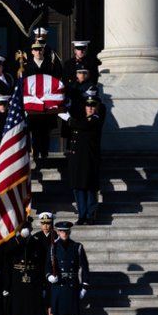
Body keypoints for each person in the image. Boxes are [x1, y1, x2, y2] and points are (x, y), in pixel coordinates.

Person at [45, 220, 89, 315]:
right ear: (57, 232)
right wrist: (49, 276)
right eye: (61, 231)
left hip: (72, 285)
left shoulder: (77, 247)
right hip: (58, 286)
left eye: (66, 231)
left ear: (70, 232)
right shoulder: (53, 247)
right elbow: (47, 266)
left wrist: (84, 286)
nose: (64, 233)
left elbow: (85, 268)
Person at [59, 96, 104, 225]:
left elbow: (81, 126)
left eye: (92, 106)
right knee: (78, 188)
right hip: (77, 160)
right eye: (88, 106)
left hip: (89, 160)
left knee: (89, 188)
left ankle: (90, 215)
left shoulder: (95, 120)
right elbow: (70, 132)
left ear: (96, 108)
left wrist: (68, 118)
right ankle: (82, 215)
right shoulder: (82, 120)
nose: (90, 108)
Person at [4, 223, 45, 315]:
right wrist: (20, 238)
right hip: (18, 284)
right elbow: (7, 252)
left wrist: (43, 285)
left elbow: (42, 261)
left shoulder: (36, 243)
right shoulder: (14, 242)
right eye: (22, 229)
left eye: (27, 229)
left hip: (33, 283)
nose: (25, 231)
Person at [31, 211, 57, 315]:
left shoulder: (56, 236)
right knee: (38, 298)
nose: (46, 226)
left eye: (48, 223)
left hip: (51, 271)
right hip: (38, 271)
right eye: (43, 223)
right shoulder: (36, 237)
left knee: (51, 298)